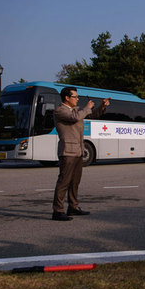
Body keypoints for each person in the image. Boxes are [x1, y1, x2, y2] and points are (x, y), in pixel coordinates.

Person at [52, 87, 110, 221]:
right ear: (67, 98)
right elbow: (75, 118)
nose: (77, 99)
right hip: (67, 151)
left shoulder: (78, 110)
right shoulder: (60, 110)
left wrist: (102, 106)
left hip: (78, 151)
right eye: (75, 96)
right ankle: (57, 210)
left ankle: (73, 207)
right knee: (64, 181)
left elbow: (93, 114)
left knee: (75, 182)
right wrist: (87, 106)